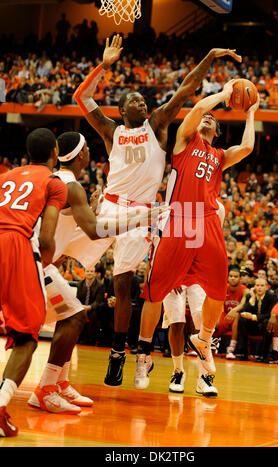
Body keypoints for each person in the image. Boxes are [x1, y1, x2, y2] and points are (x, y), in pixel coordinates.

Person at [73, 33, 242, 386]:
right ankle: (121, 349)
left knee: (151, 287)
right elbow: (81, 96)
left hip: (149, 213)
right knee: (97, 272)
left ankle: (146, 357)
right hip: (111, 210)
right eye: (130, 98)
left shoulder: (158, 125)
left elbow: (186, 89)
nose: (138, 100)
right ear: (121, 110)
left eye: (141, 99)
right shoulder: (109, 130)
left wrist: (209, 56)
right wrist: (104, 67)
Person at [134, 80, 260, 390]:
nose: (207, 119)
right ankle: (144, 353)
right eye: (206, 117)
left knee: (218, 290)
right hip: (180, 218)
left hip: (206, 221)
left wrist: (251, 113)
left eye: (213, 121)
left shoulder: (219, 156)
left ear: (217, 132)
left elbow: (246, 148)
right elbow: (201, 107)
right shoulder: (184, 142)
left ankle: (203, 340)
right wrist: (226, 93)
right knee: (156, 291)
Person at [28, 131, 165, 413]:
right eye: (88, 148)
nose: (91, 152)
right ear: (81, 155)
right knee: (75, 316)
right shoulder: (70, 186)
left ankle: (59, 383)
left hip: (35, 261)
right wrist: (140, 218)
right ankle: (45, 388)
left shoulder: (60, 182)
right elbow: (94, 231)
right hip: (28, 263)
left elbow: (72, 231)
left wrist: (89, 210)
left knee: (71, 316)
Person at [0, 128, 68, 437]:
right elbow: (46, 237)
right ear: (56, 152)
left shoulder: (5, 177)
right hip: (15, 245)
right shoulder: (54, 183)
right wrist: (46, 265)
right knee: (27, 336)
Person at [162, 201, 225, 396]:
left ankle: (204, 379)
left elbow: (211, 244)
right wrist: (171, 275)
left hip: (198, 272)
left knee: (203, 321)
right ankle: (178, 372)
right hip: (173, 270)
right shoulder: (170, 206)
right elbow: (161, 244)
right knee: (177, 322)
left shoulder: (218, 208)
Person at [235, 278, 277, 362]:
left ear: (266, 287)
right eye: (257, 285)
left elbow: (269, 314)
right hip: (252, 326)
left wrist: (254, 317)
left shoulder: (272, 296)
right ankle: (243, 353)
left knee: (267, 322)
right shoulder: (249, 296)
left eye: (262, 286)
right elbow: (244, 311)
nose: (259, 288)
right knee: (241, 321)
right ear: (254, 287)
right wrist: (253, 298)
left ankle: (264, 355)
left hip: (263, 325)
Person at [214, 265, 248, 360]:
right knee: (214, 319)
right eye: (231, 276)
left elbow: (243, 303)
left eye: (235, 276)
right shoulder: (224, 288)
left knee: (237, 316)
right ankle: (210, 345)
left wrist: (234, 310)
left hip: (236, 318)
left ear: (240, 278)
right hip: (225, 315)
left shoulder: (245, 290)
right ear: (228, 277)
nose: (233, 278)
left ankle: (231, 349)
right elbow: (220, 305)